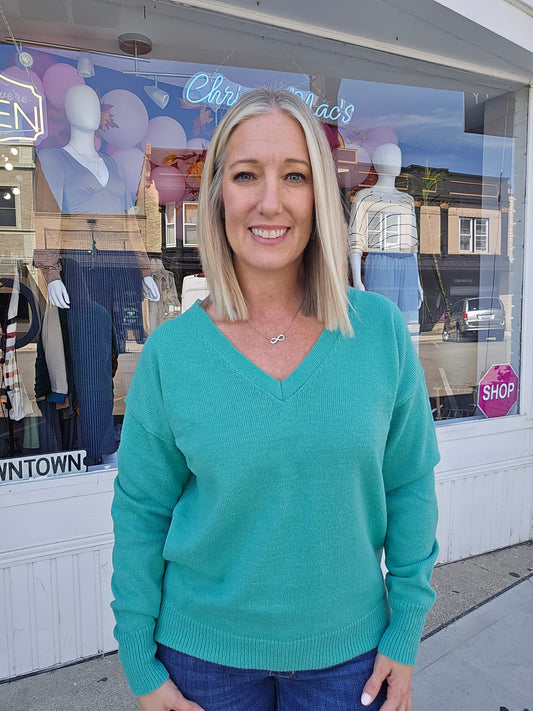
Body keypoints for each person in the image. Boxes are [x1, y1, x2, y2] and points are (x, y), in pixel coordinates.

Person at [111, 88, 439, 711]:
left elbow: (410, 486)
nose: (270, 201)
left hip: (350, 660)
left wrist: (406, 629)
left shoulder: (379, 333)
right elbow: (141, 512)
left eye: (294, 175)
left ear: (320, 196)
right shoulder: (172, 354)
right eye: (245, 175)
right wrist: (139, 665)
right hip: (200, 662)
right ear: (218, 196)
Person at [33, 83, 159, 465]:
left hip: (118, 269)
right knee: (89, 362)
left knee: (112, 359)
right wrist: (52, 272)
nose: (88, 110)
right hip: (81, 267)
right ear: (68, 112)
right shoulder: (52, 159)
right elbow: (46, 216)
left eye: (93, 103)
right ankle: (92, 452)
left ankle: (104, 442)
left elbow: (129, 222)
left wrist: (145, 269)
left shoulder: (113, 166)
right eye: (79, 102)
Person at [348, 143, 422, 345]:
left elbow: (412, 242)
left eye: (398, 157)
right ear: (378, 162)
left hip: (407, 261)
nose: (396, 162)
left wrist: (417, 281)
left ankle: (409, 361)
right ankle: (382, 360)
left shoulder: (407, 200)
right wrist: (357, 279)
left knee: (408, 324)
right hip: (380, 259)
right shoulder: (365, 197)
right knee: (380, 321)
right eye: (390, 156)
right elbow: (356, 239)